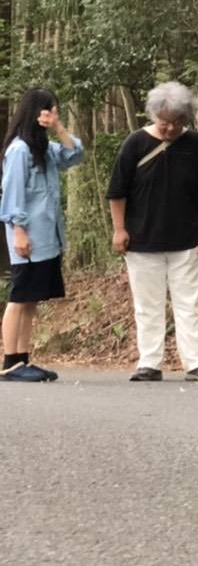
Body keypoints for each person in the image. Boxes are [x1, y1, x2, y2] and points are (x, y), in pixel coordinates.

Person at [107, 82, 198, 382]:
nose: (171, 128)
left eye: (178, 121)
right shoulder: (135, 143)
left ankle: (196, 362)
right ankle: (149, 362)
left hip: (188, 240)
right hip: (142, 240)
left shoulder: (197, 144)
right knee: (148, 305)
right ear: (153, 115)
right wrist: (119, 230)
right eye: (165, 122)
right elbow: (117, 192)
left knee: (190, 303)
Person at [1, 89, 84, 382]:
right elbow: (12, 194)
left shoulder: (45, 149)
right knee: (19, 298)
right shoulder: (19, 150)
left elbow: (75, 154)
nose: (55, 115)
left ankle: (22, 359)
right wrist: (19, 231)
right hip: (27, 237)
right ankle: (9, 362)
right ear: (37, 112)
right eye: (51, 110)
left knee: (31, 299)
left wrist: (58, 127)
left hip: (47, 237)